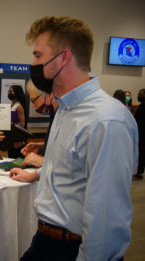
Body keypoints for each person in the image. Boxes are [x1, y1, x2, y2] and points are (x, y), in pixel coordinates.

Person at [9, 16, 138, 261]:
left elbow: (107, 219)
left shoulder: (106, 120)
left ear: (64, 58)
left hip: (72, 249)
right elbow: (64, 170)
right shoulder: (65, 110)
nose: (33, 63)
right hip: (45, 242)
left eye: (38, 56)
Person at [21, 79, 58, 167]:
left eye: (34, 100)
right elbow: (58, 143)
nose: (33, 106)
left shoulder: (67, 116)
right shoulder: (53, 114)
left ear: (49, 94)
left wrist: (43, 161)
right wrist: (40, 146)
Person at [7, 84, 27, 158]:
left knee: (16, 157)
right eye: (9, 91)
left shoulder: (19, 106)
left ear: (16, 93)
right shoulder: (12, 104)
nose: (9, 93)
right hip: (11, 137)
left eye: (11, 91)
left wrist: (12, 124)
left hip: (17, 138)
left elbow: (22, 124)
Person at [133, 89, 145, 179]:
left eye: (141, 95)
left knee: (142, 152)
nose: (139, 96)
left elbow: (136, 120)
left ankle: (140, 172)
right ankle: (140, 171)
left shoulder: (142, 106)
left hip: (142, 132)